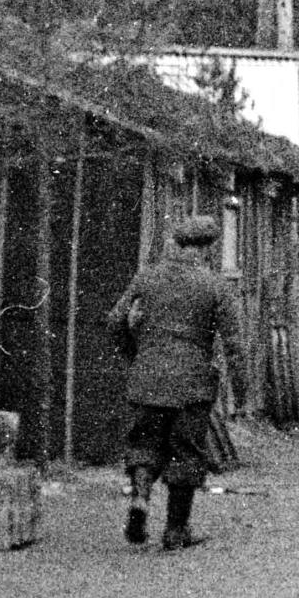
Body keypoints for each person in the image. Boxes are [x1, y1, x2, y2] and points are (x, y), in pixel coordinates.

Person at [106, 215, 242, 551]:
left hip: (147, 376)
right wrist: (241, 387)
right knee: (186, 452)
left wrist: (134, 354)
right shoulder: (215, 285)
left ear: (176, 244)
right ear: (207, 249)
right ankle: (176, 530)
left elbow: (114, 321)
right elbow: (235, 343)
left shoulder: (147, 277)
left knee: (143, 443)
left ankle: (140, 498)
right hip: (192, 383)